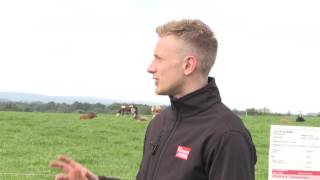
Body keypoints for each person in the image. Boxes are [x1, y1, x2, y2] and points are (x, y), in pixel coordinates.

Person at [50, 19, 257, 180]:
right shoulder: (160, 123)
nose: (150, 67)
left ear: (188, 65)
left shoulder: (226, 135)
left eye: (159, 58)